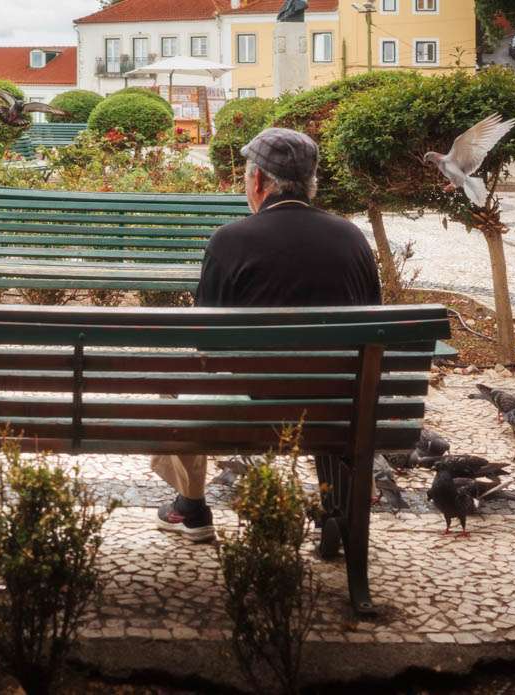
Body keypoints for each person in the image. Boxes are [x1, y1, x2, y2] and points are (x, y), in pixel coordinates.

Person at [153, 127, 381, 543]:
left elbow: (206, 341)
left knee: (173, 388)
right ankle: (337, 506)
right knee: (332, 380)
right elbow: (371, 326)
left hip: (250, 412)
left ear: (257, 180)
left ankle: (192, 506)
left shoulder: (229, 241)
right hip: (338, 411)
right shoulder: (352, 239)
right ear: (311, 182)